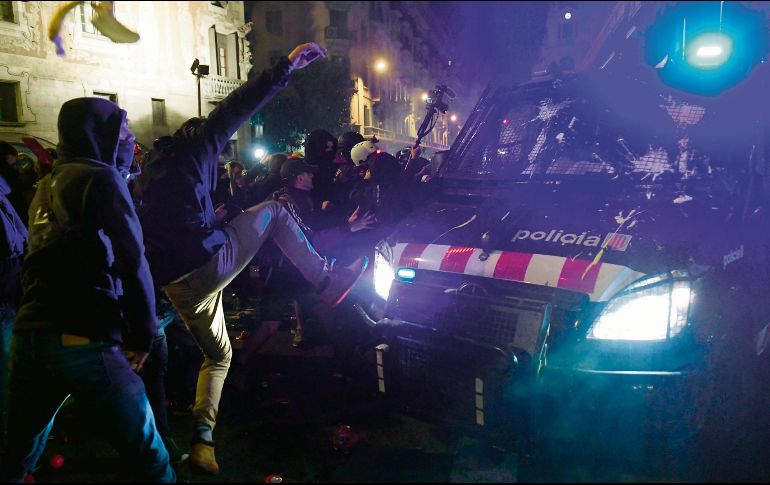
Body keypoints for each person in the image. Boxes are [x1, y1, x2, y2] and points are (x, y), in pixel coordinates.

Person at [133, 42, 368, 475]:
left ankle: (203, 441)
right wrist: (286, 66)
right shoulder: (198, 144)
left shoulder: (148, 171)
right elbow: (238, 107)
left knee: (219, 356)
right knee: (277, 210)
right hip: (205, 266)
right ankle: (326, 281)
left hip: (178, 287)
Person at [1, 97, 174, 482]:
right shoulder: (101, 177)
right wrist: (143, 334)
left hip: (30, 336)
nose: (130, 142)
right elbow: (133, 259)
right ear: (100, 136)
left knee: (17, 453)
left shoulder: (46, 185)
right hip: (83, 336)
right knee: (150, 453)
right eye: (123, 133)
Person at [0, 160, 27, 452]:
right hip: (4, 299)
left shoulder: (5, 198)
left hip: (10, 297)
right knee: (6, 376)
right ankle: (9, 449)